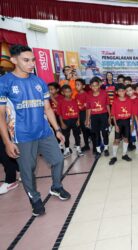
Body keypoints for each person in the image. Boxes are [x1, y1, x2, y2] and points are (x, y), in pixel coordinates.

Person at [0, 44, 71, 216]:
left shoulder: (39, 82)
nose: (31, 63)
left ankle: (56, 186)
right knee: (28, 169)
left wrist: (57, 130)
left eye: (33, 60)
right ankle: (35, 198)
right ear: (14, 60)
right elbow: (1, 115)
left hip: (44, 132)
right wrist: (7, 142)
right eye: (26, 60)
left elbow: (47, 108)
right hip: (22, 136)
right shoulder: (5, 83)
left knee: (58, 159)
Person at [85, 77, 111, 157]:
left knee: (104, 133)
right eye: (93, 86)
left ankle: (106, 148)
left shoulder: (104, 93)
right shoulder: (88, 95)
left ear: (99, 85)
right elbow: (88, 108)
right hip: (94, 117)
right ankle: (98, 150)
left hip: (103, 115)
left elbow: (107, 105)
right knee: (96, 134)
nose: (95, 87)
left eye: (96, 85)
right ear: (90, 86)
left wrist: (109, 116)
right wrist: (87, 120)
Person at [109, 84, 133, 165]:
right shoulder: (115, 101)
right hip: (119, 122)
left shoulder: (129, 100)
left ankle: (124, 154)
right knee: (116, 140)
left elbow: (132, 113)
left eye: (123, 90)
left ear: (125, 91)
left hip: (127, 122)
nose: (121, 92)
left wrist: (132, 124)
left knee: (126, 139)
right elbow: (113, 115)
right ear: (116, 92)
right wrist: (115, 125)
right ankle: (114, 156)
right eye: (119, 91)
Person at [58, 85, 83, 158]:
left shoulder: (74, 100)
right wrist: (62, 123)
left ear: (71, 92)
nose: (68, 93)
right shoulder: (61, 102)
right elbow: (59, 114)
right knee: (66, 136)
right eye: (66, 92)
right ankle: (67, 150)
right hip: (66, 121)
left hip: (75, 120)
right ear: (63, 93)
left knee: (77, 135)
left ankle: (78, 148)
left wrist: (78, 120)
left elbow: (78, 111)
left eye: (69, 91)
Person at [75, 78, 90, 152]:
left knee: (87, 130)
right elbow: (77, 107)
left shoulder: (86, 95)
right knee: (83, 131)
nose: (76, 86)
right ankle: (86, 145)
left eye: (78, 84)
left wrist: (87, 119)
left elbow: (87, 108)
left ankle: (93, 145)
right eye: (76, 85)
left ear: (83, 86)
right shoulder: (76, 95)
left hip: (85, 113)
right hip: (80, 114)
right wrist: (77, 118)